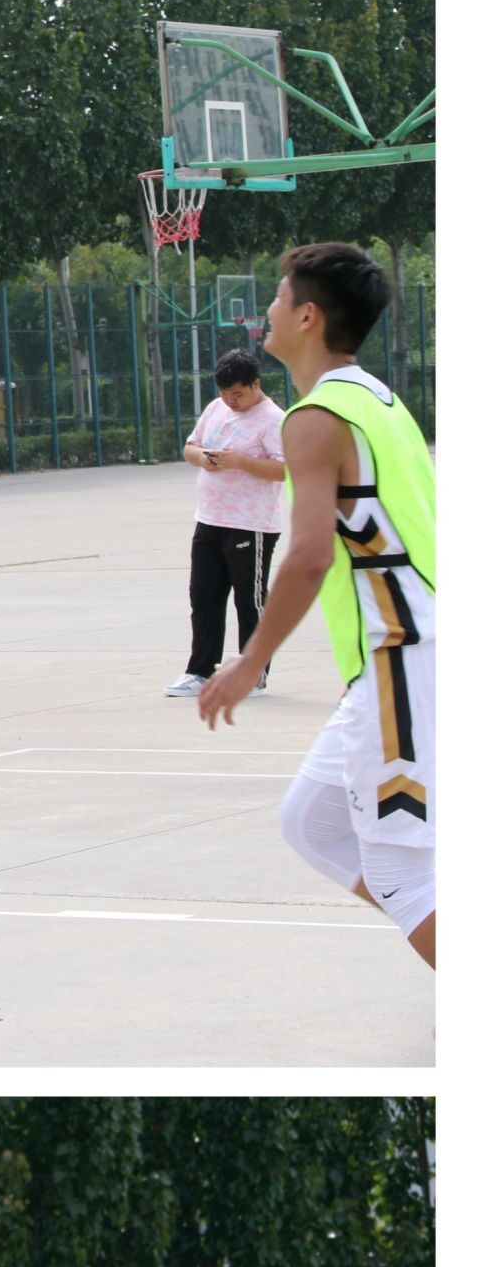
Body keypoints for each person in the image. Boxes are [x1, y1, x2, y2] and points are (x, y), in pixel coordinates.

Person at [200, 245, 435, 971]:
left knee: (402, 874)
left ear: (307, 316)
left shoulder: (315, 418)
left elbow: (307, 556)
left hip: (405, 657)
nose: (266, 312)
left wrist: (251, 662)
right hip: (404, 656)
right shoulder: (378, 400)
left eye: (277, 299)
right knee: (314, 823)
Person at [165, 350, 285, 697]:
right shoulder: (216, 408)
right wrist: (204, 458)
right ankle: (199, 672)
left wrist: (241, 462)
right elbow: (190, 447)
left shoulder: (274, 420)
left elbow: (286, 469)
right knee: (203, 596)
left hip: (251, 524)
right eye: (224, 393)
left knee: (249, 601)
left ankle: (253, 674)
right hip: (209, 518)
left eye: (237, 394)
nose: (230, 400)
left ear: (255, 385)